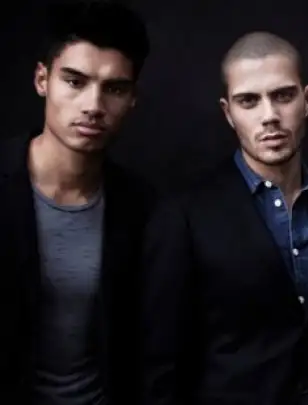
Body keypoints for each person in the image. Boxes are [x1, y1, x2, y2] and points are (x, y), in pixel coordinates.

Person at [141, 31, 308, 405]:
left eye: (283, 96)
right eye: (248, 101)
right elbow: (161, 364)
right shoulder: (183, 215)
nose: (269, 116)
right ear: (228, 113)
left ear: (307, 100)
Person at [0, 1, 152, 404]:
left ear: (132, 99)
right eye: (74, 81)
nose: (93, 106)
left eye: (114, 89)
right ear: (42, 79)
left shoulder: (143, 209)